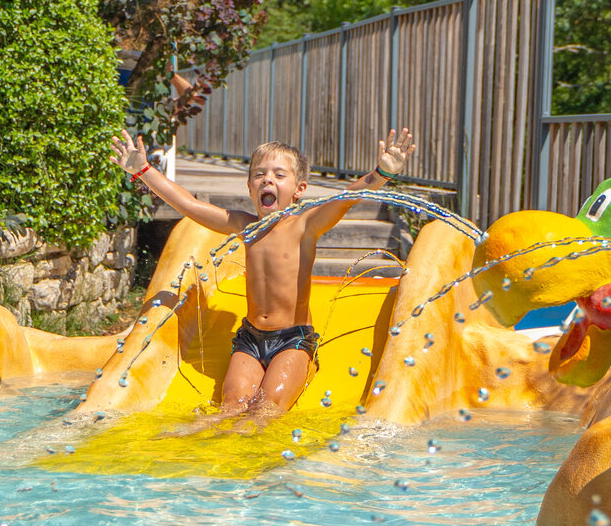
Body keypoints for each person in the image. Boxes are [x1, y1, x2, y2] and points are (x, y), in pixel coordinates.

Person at [110, 127, 417, 414]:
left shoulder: (305, 225)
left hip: (293, 341)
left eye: (279, 175)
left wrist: (383, 172)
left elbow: (348, 196)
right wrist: (144, 171)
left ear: (299, 189)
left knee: (266, 409)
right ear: (250, 186)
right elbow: (189, 205)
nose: (268, 179)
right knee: (232, 405)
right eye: (259, 174)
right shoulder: (245, 226)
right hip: (250, 339)